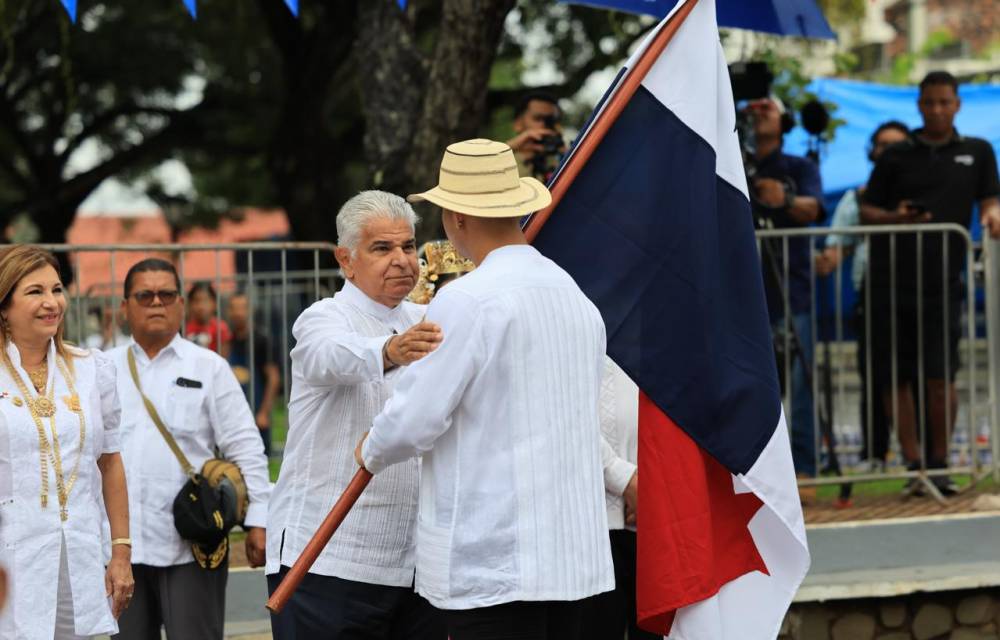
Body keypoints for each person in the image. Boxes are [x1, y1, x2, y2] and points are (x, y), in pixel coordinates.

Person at [357, 139, 614, 640]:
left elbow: (415, 421)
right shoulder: (577, 297)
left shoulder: (467, 300)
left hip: (495, 561)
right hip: (574, 560)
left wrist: (370, 448)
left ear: (456, 217)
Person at [266, 190, 446, 640]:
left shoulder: (430, 317)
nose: (402, 260)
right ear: (346, 260)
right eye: (382, 248)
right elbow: (328, 357)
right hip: (328, 561)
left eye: (408, 246)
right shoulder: (323, 318)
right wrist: (388, 350)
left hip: (415, 566)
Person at [109, 258, 270, 640]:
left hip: (192, 541)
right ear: (125, 307)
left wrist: (259, 520)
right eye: (144, 295)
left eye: (166, 294)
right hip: (120, 547)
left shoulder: (209, 367)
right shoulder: (103, 368)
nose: (156, 303)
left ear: (180, 304)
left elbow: (246, 446)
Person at [860, 71, 1000, 495]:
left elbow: (990, 201)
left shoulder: (978, 152)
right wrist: (896, 218)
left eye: (945, 102)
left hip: (943, 282)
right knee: (896, 378)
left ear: (957, 104)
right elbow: (866, 211)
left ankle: (939, 467)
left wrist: (993, 217)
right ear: (919, 106)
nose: (937, 110)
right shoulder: (895, 155)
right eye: (929, 103)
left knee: (941, 376)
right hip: (889, 281)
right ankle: (913, 467)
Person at [0, 245, 133, 639]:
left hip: (83, 554)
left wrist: (121, 553)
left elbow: (110, 462)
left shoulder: (92, 369)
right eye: (34, 292)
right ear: (4, 307)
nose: (51, 303)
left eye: (57, 289)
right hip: (11, 558)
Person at [815, 121, 910, 468]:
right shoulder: (856, 197)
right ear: (871, 152)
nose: (888, 153)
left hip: (921, 293)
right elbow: (834, 252)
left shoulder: (924, 192)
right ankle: (875, 452)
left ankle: (926, 458)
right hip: (872, 296)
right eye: (882, 145)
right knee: (875, 374)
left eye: (897, 146)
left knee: (921, 375)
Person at [749, 97, 825, 494]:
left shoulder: (799, 167)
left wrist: (786, 200)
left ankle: (806, 469)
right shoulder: (729, 161)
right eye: (753, 109)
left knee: (799, 385)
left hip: (791, 290)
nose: (759, 114)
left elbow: (814, 208)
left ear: (786, 121)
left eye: (768, 109)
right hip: (742, 293)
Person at [581, 359, 655, 640]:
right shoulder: (576, 316)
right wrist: (624, 479)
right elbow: (563, 409)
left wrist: (655, 486)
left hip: (659, 514)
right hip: (592, 517)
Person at [226, 293, 280, 457]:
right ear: (228, 311)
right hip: (232, 413)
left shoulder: (261, 340)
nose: (238, 313)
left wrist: (264, 412)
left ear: (250, 310)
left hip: (257, 412)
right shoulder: (227, 341)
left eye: (242, 308)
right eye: (234, 308)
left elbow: (274, 378)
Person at [506, 91, 565, 181]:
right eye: (538, 118)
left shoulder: (560, 161)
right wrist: (510, 147)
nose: (545, 125)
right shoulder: (504, 162)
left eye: (550, 120)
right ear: (517, 124)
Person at [185, 283, 231, 357]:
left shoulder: (221, 329)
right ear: (190, 304)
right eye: (196, 301)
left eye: (206, 301)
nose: (201, 306)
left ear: (215, 303)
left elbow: (223, 359)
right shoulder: (183, 328)